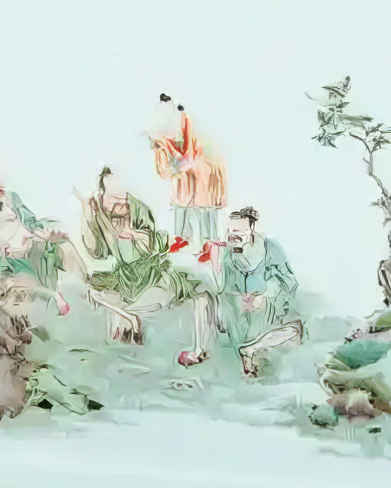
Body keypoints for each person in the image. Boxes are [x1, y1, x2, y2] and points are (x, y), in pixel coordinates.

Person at [78, 167, 206, 345]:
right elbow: (97, 252)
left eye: (124, 198)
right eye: (115, 199)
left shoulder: (138, 210)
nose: (122, 204)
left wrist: (134, 235)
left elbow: (153, 244)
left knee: (162, 292)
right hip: (124, 278)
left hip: (150, 275)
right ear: (101, 195)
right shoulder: (99, 213)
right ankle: (128, 317)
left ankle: (129, 317)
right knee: (88, 290)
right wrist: (89, 218)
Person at [0, 157, 89, 316]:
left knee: (63, 247)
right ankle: (52, 301)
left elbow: (30, 220)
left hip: (32, 247)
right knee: (27, 289)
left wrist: (44, 234)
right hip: (8, 261)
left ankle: (88, 289)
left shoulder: (12, 198)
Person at [0, 269, 99, 421]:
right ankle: (83, 406)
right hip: (10, 372)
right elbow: (14, 339)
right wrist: (25, 332)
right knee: (45, 379)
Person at [187, 207, 303, 376]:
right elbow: (223, 287)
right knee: (203, 299)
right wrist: (215, 264)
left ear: (251, 229)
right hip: (236, 309)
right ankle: (201, 350)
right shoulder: (228, 252)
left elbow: (287, 281)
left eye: (239, 230)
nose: (234, 235)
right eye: (231, 230)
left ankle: (252, 349)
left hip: (266, 305)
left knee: (294, 330)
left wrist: (263, 296)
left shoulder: (270, 248)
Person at [148, 94, 227, 253]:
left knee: (206, 206)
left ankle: (209, 243)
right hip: (185, 173)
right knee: (181, 203)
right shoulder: (163, 129)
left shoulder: (187, 121)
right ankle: (182, 238)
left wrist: (181, 160)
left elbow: (190, 153)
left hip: (202, 169)